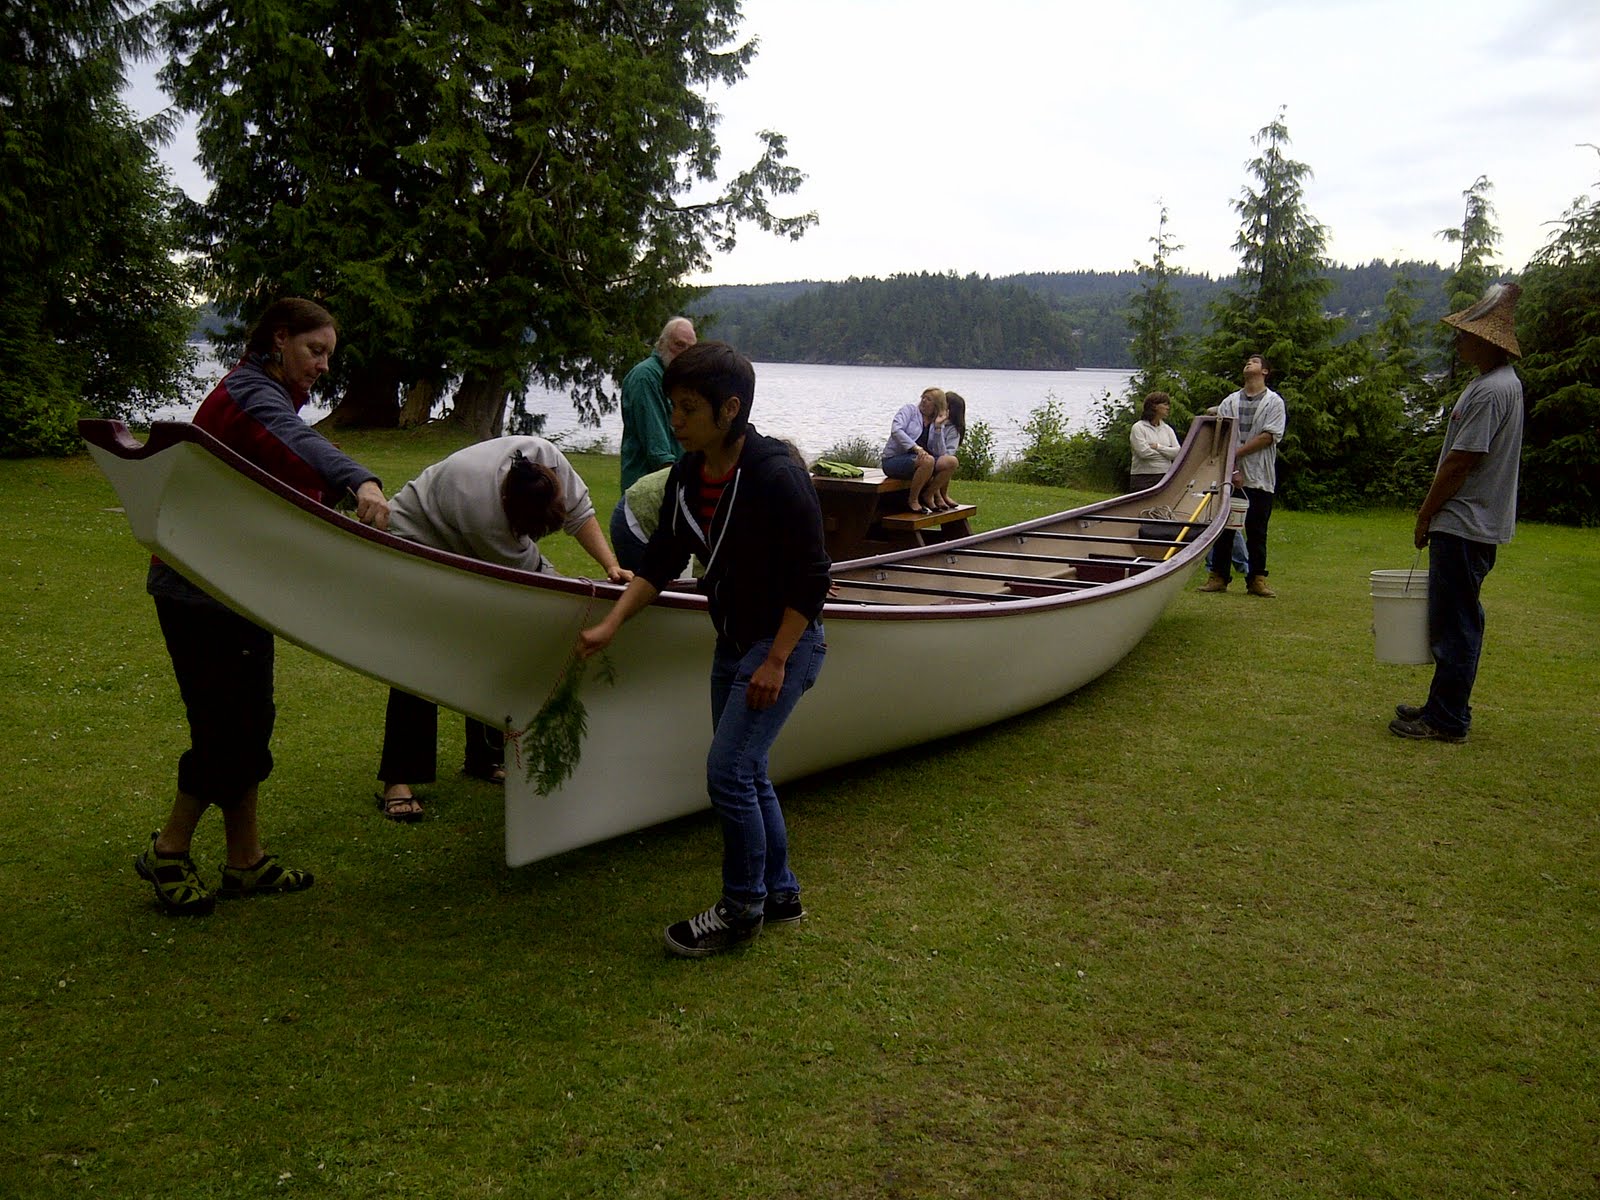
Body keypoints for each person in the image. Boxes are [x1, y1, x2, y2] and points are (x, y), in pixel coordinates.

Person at [136, 298, 391, 916]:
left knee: (249, 720)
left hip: (237, 587)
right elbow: (297, 442)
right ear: (280, 340)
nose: (324, 365)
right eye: (315, 350)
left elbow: (280, 484)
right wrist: (359, 480)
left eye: (329, 354)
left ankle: (244, 860)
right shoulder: (251, 394)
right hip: (198, 590)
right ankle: (167, 851)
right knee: (226, 728)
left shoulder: (265, 394)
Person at [577, 341, 830, 958]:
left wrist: (775, 662)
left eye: (688, 408)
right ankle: (780, 893)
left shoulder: (776, 476)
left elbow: (813, 578)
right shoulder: (691, 472)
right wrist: (612, 624)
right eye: (673, 406)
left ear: (730, 410)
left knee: (727, 774)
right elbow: (662, 558)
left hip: (782, 645)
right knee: (747, 771)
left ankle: (741, 910)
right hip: (734, 642)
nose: (675, 420)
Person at [376, 436, 631, 818]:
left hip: (465, 532)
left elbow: (581, 514)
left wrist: (610, 567)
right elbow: (536, 581)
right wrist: (581, 603)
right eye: (528, 534)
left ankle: (484, 757)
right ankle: (399, 778)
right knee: (423, 652)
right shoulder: (485, 517)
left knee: (493, 639)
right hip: (415, 538)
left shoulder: (549, 461)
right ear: (513, 522)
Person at [1390, 283, 1524, 744]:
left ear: (1486, 340)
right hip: (1472, 522)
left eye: (1466, 334)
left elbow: (1460, 461)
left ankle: (1447, 720)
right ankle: (1443, 705)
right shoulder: (1496, 384)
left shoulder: (1491, 391)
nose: (1459, 340)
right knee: (1455, 617)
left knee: (1457, 622)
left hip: (1464, 522)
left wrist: (1426, 513)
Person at [610, 317, 696, 569]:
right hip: (645, 500)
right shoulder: (646, 377)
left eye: (692, 348)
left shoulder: (674, 381)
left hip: (665, 496)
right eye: (679, 345)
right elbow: (659, 452)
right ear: (662, 344)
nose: (686, 354)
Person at [1199, 355, 1287, 597]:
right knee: (1224, 527)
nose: (1249, 363)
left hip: (1260, 474)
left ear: (1265, 371)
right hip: (1231, 474)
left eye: (1255, 361)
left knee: (1257, 529)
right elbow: (1223, 434)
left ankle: (1257, 579)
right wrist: (1234, 467)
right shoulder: (1230, 401)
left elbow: (1269, 436)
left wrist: (1236, 453)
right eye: (1247, 361)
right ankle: (1218, 576)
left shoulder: (1274, 402)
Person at [881, 387, 955, 514]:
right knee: (928, 460)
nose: (924, 401)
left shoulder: (935, 422)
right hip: (894, 460)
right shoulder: (909, 410)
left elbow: (940, 453)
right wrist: (915, 447)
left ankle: (929, 495)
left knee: (951, 461)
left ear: (936, 405)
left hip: (923, 461)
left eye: (929, 399)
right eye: (923, 398)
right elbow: (896, 430)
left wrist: (938, 428)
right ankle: (913, 500)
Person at [1128, 391, 1181, 491]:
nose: (1167, 408)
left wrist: (1158, 447)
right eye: (1165, 404)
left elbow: (1177, 452)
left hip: (1165, 475)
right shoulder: (1138, 427)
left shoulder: (1167, 429)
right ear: (1154, 406)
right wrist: (1166, 454)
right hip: (1142, 477)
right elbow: (1143, 453)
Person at [928, 390, 966, 510]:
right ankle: (938, 494)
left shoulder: (953, 430)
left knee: (949, 462)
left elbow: (948, 452)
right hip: (927, 458)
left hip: (940, 459)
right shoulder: (930, 421)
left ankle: (941, 494)